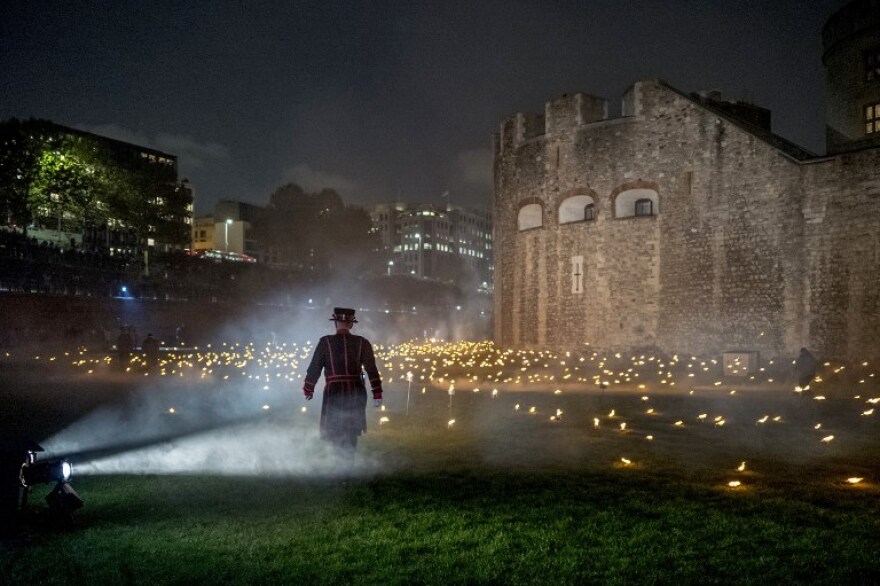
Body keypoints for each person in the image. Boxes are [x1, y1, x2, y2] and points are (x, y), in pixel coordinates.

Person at [302, 307, 383, 458]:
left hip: (334, 391)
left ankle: (341, 462)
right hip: (355, 391)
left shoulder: (325, 342)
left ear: (336, 323)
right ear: (351, 324)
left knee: (336, 426)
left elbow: (315, 367)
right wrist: (377, 392)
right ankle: (346, 461)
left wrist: (308, 388)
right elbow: (372, 369)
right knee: (351, 428)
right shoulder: (362, 342)